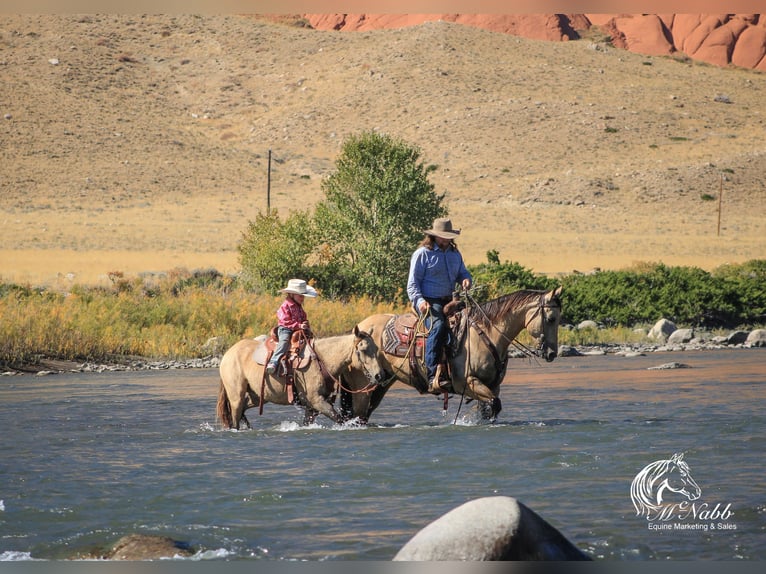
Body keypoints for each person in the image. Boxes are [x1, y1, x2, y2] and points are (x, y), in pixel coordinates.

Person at [407, 217, 472, 393]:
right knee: (439, 326)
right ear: (434, 236)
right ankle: (431, 375)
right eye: (442, 237)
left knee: (471, 322)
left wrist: (466, 280)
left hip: (450, 299)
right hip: (429, 301)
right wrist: (420, 302)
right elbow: (412, 284)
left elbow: (462, 272)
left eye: (448, 237)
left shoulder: (454, 254)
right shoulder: (422, 254)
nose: (445, 240)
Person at [266, 278, 317, 375]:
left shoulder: (299, 306)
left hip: (298, 329)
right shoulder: (285, 306)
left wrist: (305, 323)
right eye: (300, 296)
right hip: (285, 329)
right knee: (284, 341)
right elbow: (285, 321)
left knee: (311, 338)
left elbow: (303, 317)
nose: (302, 298)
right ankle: (273, 361)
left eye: (303, 296)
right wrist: (299, 325)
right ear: (292, 294)